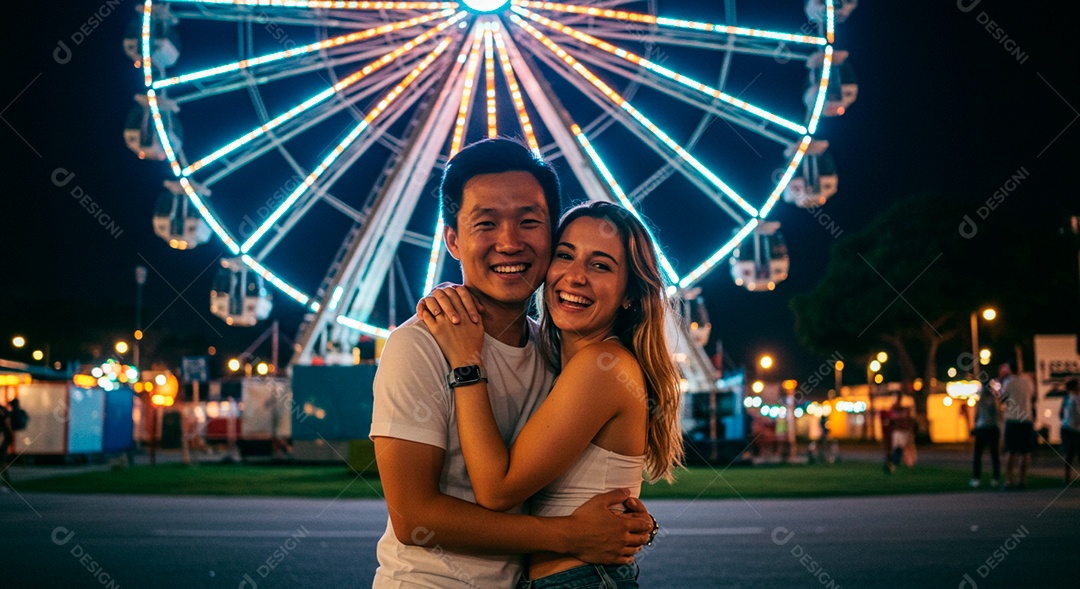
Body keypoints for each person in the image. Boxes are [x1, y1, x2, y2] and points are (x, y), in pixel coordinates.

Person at [370, 139, 653, 589]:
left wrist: (627, 523)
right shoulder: (417, 346)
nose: (509, 242)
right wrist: (568, 536)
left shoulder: (558, 354)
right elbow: (413, 516)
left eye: (529, 222)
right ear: (453, 240)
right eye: (486, 224)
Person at [418, 200, 683, 588]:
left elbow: (497, 489)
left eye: (600, 265)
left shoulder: (602, 365)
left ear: (630, 294)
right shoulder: (557, 362)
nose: (575, 277)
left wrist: (465, 362)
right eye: (565, 256)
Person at [999, 361, 1035, 489]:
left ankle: (1009, 480)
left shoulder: (1008, 382)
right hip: (1026, 419)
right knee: (1025, 452)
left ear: (1009, 370)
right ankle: (1022, 480)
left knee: (1010, 451)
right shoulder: (1028, 381)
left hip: (1012, 419)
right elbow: (1032, 395)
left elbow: (1002, 398)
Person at [969, 381, 1002, 488]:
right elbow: (998, 414)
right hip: (992, 428)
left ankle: (976, 479)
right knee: (995, 455)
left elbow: (976, 416)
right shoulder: (994, 400)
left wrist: (973, 426)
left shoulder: (980, 400)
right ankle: (995, 479)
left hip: (982, 428)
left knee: (978, 455)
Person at [1059, 378, 1080, 485]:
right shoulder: (1068, 398)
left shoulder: (1070, 398)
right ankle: (1067, 477)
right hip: (1068, 429)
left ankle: (1067, 478)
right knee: (1069, 454)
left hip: (1072, 429)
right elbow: (1062, 413)